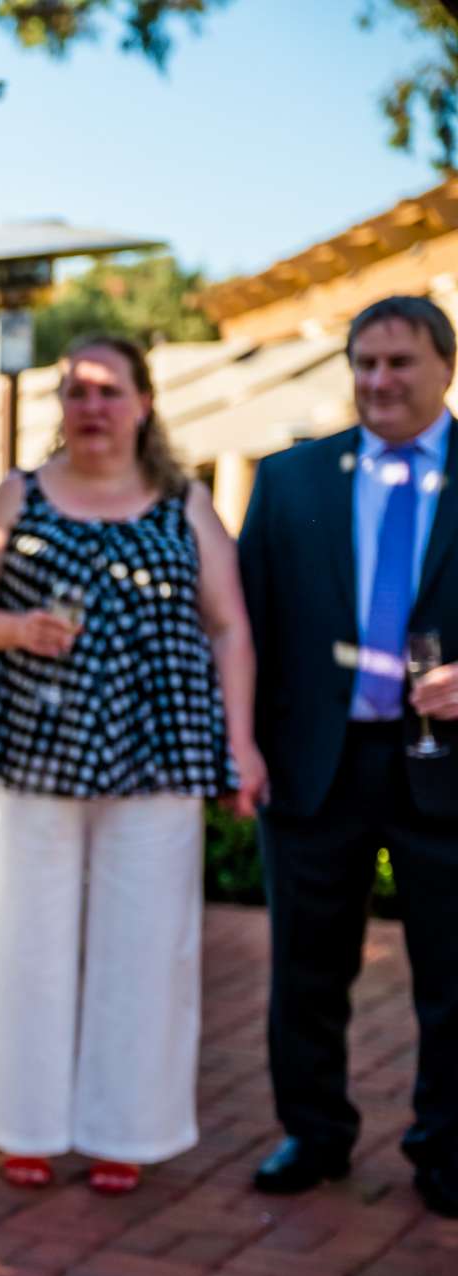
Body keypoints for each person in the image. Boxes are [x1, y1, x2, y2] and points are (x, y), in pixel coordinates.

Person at [0, 333, 261, 1196]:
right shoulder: (17, 496)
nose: (93, 406)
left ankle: (129, 1130)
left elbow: (228, 626)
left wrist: (242, 743)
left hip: (160, 748)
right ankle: (23, 1123)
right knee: (22, 941)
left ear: (143, 403)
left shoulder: (186, 502)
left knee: (147, 947)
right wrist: (15, 629)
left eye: (110, 390)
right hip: (32, 747)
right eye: (77, 390)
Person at [238, 295, 458, 1217]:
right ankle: (314, 1132)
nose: (378, 381)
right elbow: (245, 625)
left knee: (452, 975)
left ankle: (445, 1149)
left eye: (399, 363)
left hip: (447, 765)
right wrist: (241, 747)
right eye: (364, 363)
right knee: (307, 966)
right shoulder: (291, 481)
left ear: (445, 366)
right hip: (314, 763)